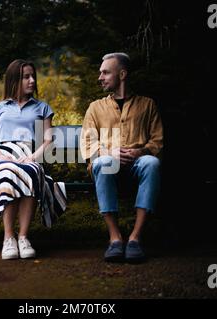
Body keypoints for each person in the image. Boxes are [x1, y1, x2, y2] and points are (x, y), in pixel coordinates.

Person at [0, 59, 67, 260]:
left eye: (33, 76)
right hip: (2, 156)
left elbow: (48, 139)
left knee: (29, 171)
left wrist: (32, 157)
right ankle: (8, 238)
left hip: (29, 155)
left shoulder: (42, 107)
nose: (32, 81)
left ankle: (23, 237)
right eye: (26, 77)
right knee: (7, 173)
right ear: (14, 80)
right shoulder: (0, 107)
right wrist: (0, 155)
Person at [80, 52, 163, 262]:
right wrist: (110, 152)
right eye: (100, 73)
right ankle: (115, 238)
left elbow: (157, 142)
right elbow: (87, 144)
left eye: (106, 72)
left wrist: (140, 151)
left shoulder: (147, 105)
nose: (100, 77)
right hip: (108, 167)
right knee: (104, 162)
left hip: (138, 165)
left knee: (152, 162)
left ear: (122, 74)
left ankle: (135, 238)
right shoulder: (95, 108)